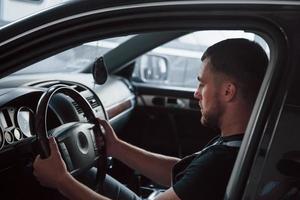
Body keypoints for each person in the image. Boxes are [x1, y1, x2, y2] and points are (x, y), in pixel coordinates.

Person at [33, 38, 268, 200]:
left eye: (202, 83)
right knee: (86, 176)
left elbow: (199, 175)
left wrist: (62, 181)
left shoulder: (221, 161)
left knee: (72, 182)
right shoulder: (238, 142)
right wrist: (116, 147)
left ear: (228, 91)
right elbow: (180, 172)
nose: (196, 93)